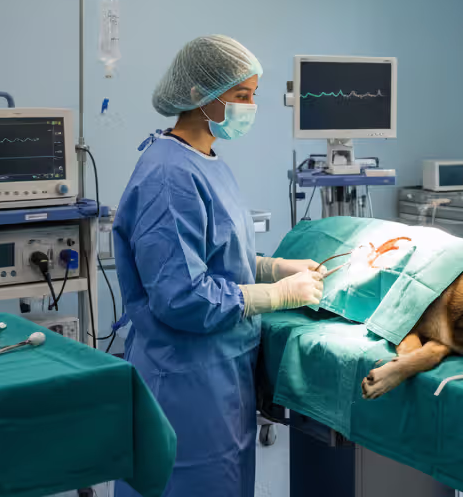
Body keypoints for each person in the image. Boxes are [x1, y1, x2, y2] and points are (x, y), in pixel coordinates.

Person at [114, 35, 326, 497]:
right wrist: (276, 296)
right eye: (242, 96)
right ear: (199, 95)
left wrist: (272, 268)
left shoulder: (208, 161)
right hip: (185, 379)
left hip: (220, 370)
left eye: (253, 95)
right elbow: (182, 296)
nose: (251, 106)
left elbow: (215, 255)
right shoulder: (170, 175)